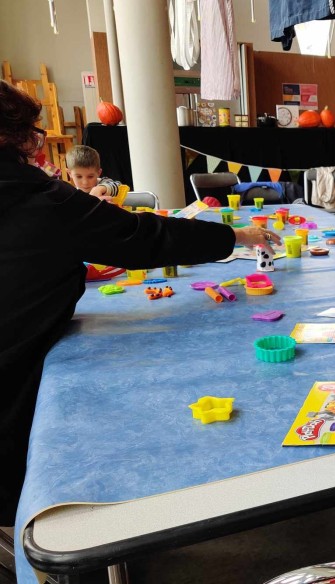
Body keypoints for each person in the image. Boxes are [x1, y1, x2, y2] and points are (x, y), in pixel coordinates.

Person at [0, 81, 279, 525]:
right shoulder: (37, 200)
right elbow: (145, 238)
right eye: (29, 134)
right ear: (13, 136)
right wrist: (236, 236)